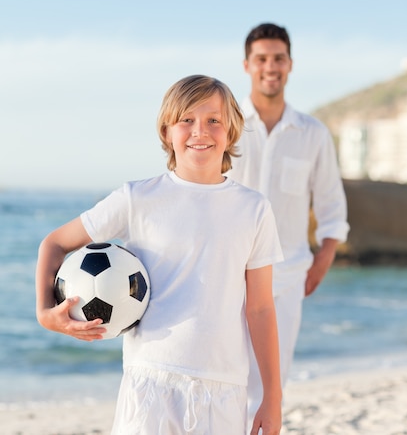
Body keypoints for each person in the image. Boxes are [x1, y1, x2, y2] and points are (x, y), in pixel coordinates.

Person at [36, 74, 283, 435]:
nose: (200, 131)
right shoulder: (138, 198)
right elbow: (55, 243)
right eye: (187, 120)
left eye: (214, 120)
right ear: (167, 131)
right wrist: (46, 312)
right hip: (150, 380)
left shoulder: (254, 209)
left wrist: (272, 398)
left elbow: (260, 307)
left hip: (223, 387)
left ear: (231, 132)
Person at [228, 24, 350, 420]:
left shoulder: (313, 134)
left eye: (278, 58)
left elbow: (332, 204)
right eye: (261, 59)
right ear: (247, 65)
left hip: (286, 278)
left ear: (290, 64)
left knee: (269, 388)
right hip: (226, 275)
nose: (270, 67)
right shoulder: (226, 126)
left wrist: (323, 259)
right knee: (223, 379)